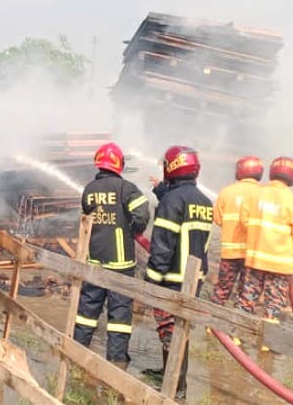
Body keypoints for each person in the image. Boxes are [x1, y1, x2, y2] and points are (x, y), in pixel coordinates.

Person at [73, 142, 150, 370]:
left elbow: (86, 216)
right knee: (119, 317)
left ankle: (77, 355)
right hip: (120, 264)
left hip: (94, 262)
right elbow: (143, 213)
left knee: (87, 311)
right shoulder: (126, 188)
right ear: (119, 164)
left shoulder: (89, 190)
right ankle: (116, 365)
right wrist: (134, 228)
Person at [144, 145, 213, 398]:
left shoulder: (172, 201)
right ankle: (170, 376)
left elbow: (162, 244)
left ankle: (177, 389)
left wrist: (151, 279)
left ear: (171, 167)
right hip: (194, 280)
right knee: (179, 330)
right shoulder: (204, 202)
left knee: (170, 331)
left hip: (171, 280)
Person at [236, 156, 293, 349]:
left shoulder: (255, 195)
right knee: (274, 303)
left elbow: (244, 222)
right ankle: (267, 344)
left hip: (255, 258)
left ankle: (237, 335)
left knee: (248, 296)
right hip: (280, 263)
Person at [211, 156, 264, 307]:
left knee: (221, 290)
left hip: (230, 253)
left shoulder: (227, 192)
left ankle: (212, 326)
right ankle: (239, 329)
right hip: (252, 255)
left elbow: (218, 219)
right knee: (247, 295)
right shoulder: (264, 194)